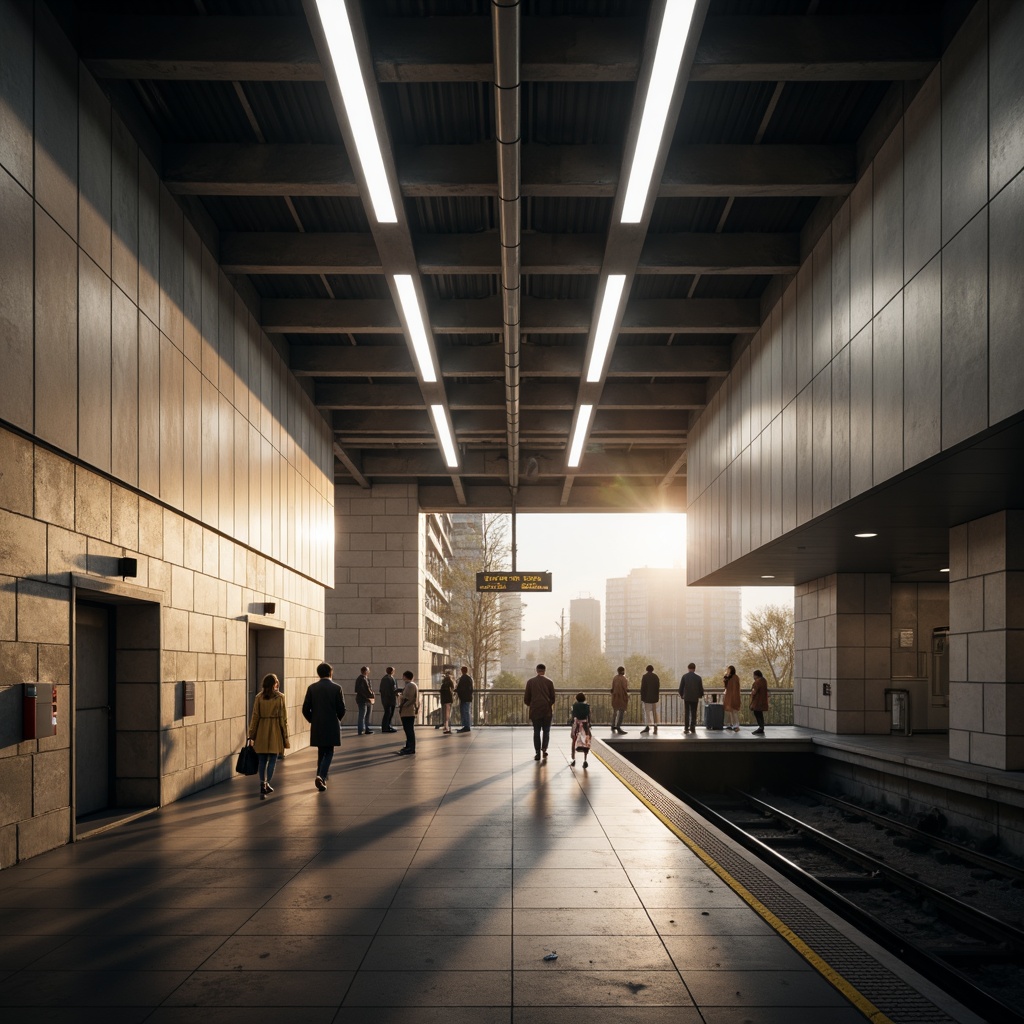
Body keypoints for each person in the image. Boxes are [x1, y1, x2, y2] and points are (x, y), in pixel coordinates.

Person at [302, 662, 346, 791]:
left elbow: (305, 709)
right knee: (329, 751)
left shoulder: (312, 688)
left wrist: (313, 720)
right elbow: (341, 708)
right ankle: (321, 776)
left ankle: (321, 777)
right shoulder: (337, 688)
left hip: (317, 724)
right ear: (330, 673)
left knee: (321, 751)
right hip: (332, 723)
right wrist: (337, 719)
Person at [247, 673, 289, 799]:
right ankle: (267, 783)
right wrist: (285, 736)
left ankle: (262, 783)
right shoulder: (280, 697)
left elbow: (255, 717)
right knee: (272, 758)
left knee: (262, 760)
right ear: (275, 684)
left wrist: (251, 735)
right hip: (275, 729)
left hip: (261, 730)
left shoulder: (259, 697)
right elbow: (283, 718)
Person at [524, 663, 556, 761]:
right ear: (544, 671)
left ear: (536, 670)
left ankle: (537, 752)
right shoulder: (549, 682)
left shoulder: (530, 682)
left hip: (535, 711)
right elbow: (553, 698)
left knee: (536, 731)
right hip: (546, 711)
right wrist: (547, 704)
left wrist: (533, 704)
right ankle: (544, 749)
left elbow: (526, 699)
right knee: (546, 731)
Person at [397, 670, 419, 755]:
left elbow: (408, 698)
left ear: (405, 677)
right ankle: (408, 746)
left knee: (409, 729)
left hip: (408, 711)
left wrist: (401, 700)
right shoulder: (411, 685)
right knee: (407, 729)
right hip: (408, 710)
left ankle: (410, 747)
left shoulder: (410, 685)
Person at [679, 662, 704, 734]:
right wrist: (700, 695)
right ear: (694, 669)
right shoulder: (698, 678)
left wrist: (682, 695)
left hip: (687, 697)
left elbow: (681, 688)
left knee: (687, 712)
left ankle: (686, 728)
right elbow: (701, 689)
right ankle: (693, 727)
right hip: (695, 698)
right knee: (694, 712)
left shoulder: (684, 676)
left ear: (688, 668)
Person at [570, 691, 592, 769]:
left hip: (577, 725)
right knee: (586, 742)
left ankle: (573, 759)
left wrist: (572, 722)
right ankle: (585, 760)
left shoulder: (574, 706)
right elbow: (588, 717)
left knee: (574, 741)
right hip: (585, 726)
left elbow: (573, 716)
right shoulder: (587, 706)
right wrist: (589, 724)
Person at [640, 664, 660, 735]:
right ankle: (655, 726)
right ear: (652, 670)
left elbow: (643, 688)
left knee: (647, 713)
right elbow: (657, 688)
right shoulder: (656, 677)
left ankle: (648, 726)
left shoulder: (645, 677)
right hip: (654, 699)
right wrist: (657, 698)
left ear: (647, 670)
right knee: (654, 713)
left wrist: (642, 698)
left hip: (647, 699)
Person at [355, 665, 374, 734]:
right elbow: (359, 690)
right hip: (363, 700)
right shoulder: (360, 679)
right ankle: (360, 730)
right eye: (368, 670)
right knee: (362, 715)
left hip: (368, 699)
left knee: (368, 715)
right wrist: (367, 698)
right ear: (365, 671)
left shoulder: (367, 679)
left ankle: (367, 729)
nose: (369, 672)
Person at [610, 667, 629, 734]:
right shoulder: (623, 679)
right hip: (621, 697)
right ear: (623, 671)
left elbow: (612, 688)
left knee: (615, 712)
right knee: (621, 713)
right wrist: (627, 696)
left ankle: (613, 725)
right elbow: (625, 688)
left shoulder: (615, 678)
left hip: (615, 697)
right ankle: (618, 726)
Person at [722, 665, 741, 732]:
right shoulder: (729, 677)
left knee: (734, 711)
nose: (727, 671)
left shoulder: (735, 677)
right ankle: (733, 724)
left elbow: (735, 688)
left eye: (728, 669)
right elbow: (726, 686)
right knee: (731, 712)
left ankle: (736, 725)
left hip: (733, 696)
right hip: (729, 695)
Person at [379, 667, 398, 733]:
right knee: (387, 713)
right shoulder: (386, 679)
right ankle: (385, 727)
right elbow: (385, 690)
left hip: (392, 699)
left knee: (391, 713)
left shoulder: (392, 678)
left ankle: (389, 725)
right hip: (388, 700)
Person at [750, 669, 769, 735]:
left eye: (754, 675)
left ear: (756, 675)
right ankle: (761, 727)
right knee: (760, 714)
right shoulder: (764, 681)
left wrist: (752, 692)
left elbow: (754, 691)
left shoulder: (757, 682)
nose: (753, 677)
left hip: (757, 701)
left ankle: (761, 727)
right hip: (763, 700)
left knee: (757, 713)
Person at [456, 665, 474, 732]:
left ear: (462, 671)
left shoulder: (463, 678)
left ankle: (466, 726)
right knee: (466, 712)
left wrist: (458, 691)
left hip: (464, 698)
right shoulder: (469, 678)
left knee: (465, 712)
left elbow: (461, 688)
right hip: (467, 698)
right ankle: (467, 726)